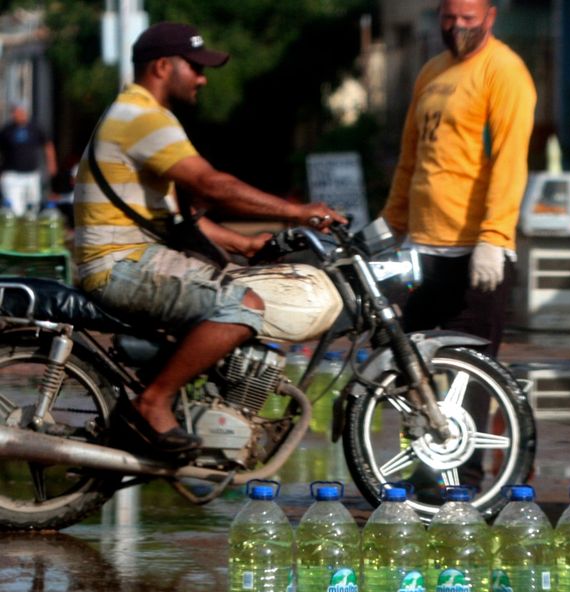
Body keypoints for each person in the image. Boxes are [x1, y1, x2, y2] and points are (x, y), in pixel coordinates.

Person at [73, 22, 345, 458]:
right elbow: (212, 185)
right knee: (242, 304)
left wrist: (245, 244)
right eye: (195, 67)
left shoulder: (140, 114)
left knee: (235, 281)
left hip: (132, 254)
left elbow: (170, 218)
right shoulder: (141, 117)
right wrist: (298, 211)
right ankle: (153, 401)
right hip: (119, 265)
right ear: (163, 66)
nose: (202, 78)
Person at [381, 0, 536, 359]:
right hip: (421, 246)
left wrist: (494, 237)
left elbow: (509, 160)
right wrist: (392, 225)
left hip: (475, 250)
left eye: (469, 18)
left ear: (490, 17)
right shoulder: (432, 72)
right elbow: (411, 157)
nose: (458, 27)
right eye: (449, 18)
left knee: (470, 373)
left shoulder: (504, 71)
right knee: (400, 364)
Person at [0, 104, 57, 215]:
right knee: (15, 208)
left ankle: (28, 230)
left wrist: (51, 163)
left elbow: (47, 145)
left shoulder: (35, 128)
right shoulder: (7, 130)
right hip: (12, 175)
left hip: (31, 173)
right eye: (16, 112)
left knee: (32, 206)